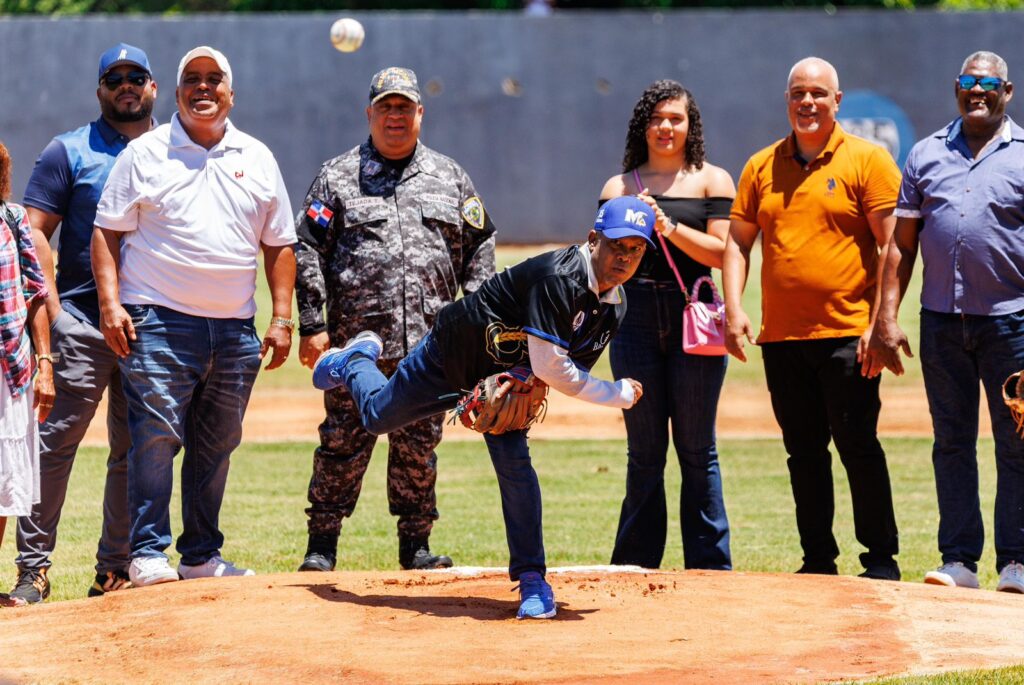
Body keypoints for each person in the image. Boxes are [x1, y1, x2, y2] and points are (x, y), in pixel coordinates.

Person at [311, 195, 651, 618]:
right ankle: (357, 360)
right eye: (618, 245)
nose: (625, 257)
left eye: (636, 249)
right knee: (378, 417)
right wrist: (616, 394)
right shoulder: (558, 276)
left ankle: (532, 580)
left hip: (500, 384)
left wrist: (529, 382)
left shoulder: (612, 307)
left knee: (515, 466)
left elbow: (560, 369)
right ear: (594, 238)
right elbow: (553, 365)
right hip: (450, 357)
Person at [91, 46, 297, 587]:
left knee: (218, 442)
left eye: (214, 79)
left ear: (231, 92)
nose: (202, 88)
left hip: (234, 329)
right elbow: (106, 232)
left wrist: (281, 317)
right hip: (158, 321)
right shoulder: (145, 153)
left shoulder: (257, 156)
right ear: (177, 90)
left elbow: (278, 243)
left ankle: (202, 555)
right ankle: (147, 553)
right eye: (191, 79)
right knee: (155, 436)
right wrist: (111, 306)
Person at [293, 66, 496, 573]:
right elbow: (307, 249)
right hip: (353, 348)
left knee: (420, 444)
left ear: (420, 114)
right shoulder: (337, 176)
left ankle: (416, 543)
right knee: (342, 441)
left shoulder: (450, 178)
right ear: (369, 114)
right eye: (386, 107)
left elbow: (482, 245)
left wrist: (471, 319)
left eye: (404, 106)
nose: (395, 116)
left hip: (431, 345)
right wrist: (314, 323)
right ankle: (322, 544)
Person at [722, 57, 902, 580]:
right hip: (782, 339)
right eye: (799, 93)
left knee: (858, 448)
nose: (808, 102)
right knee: (803, 453)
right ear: (787, 101)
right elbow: (737, 241)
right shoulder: (761, 165)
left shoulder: (868, 161)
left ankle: (881, 560)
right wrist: (734, 309)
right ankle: (818, 560)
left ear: (837, 102)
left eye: (819, 94)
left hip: (849, 335)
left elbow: (893, 244)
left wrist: (879, 322)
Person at [864, 51, 1024, 593]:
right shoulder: (927, 153)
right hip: (941, 324)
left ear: (1007, 91)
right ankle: (958, 560)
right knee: (951, 441)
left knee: (1018, 442)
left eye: (987, 83)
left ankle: (1017, 562)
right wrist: (886, 318)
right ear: (956, 88)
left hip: (1012, 324)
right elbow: (900, 248)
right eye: (967, 82)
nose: (976, 91)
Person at [8, 43, 157, 605]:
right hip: (81, 323)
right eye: (113, 77)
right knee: (53, 446)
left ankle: (113, 570)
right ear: (99, 90)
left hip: (153, 328)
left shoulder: (175, 150)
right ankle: (33, 570)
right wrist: (49, 314)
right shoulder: (69, 150)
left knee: (136, 450)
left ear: (152, 87)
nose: (125, 84)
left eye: (135, 76)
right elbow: (33, 237)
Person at [600, 80, 735, 570]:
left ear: (690, 125)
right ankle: (635, 564)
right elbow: (601, 262)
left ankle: (710, 565)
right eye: (657, 118)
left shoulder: (712, 180)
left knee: (699, 450)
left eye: (676, 118)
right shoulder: (619, 186)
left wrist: (669, 227)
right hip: (632, 318)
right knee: (644, 452)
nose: (666, 127)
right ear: (644, 125)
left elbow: (724, 254)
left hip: (692, 317)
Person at [0, 141, 54, 607]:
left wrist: (46, 364)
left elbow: (37, 293)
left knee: (2, 478)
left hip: (8, 368)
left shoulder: (12, 219)